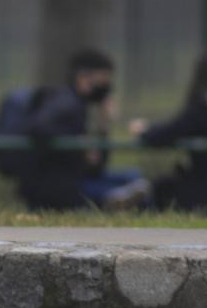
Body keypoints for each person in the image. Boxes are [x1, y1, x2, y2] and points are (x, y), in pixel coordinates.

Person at [18, 48, 151, 210]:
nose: (107, 86)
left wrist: (103, 126)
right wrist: (78, 145)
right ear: (82, 78)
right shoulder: (65, 102)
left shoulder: (80, 106)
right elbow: (37, 128)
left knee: (135, 177)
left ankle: (114, 198)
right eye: (103, 79)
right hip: (60, 185)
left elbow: (96, 167)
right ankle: (110, 200)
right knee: (138, 190)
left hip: (78, 177)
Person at [130, 51, 207, 211]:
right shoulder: (205, 108)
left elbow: (168, 133)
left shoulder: (203, 109)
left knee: (161, 189)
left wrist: (145, 130)